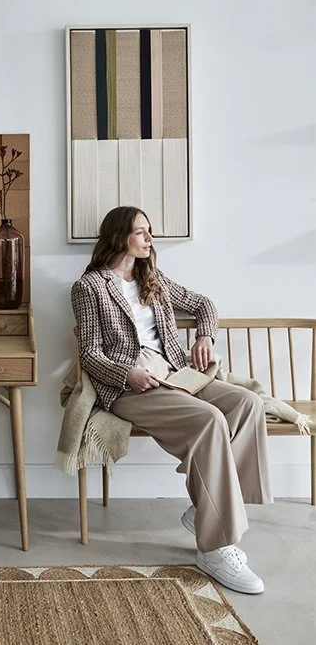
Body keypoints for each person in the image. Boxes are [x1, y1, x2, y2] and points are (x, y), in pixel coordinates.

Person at [71, 206, 273, 594]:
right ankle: (214, 547)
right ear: (119, 237)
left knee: (247, 404)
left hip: (176, 372)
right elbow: (92, 351)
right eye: (141, 232)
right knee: (210, 420)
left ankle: (206, 511)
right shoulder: (90, 287)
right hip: (131, 385)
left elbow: (204, 305)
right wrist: (126, 374)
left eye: (150, 232)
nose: (150, 239)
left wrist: (205, 337)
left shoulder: (154, 278)